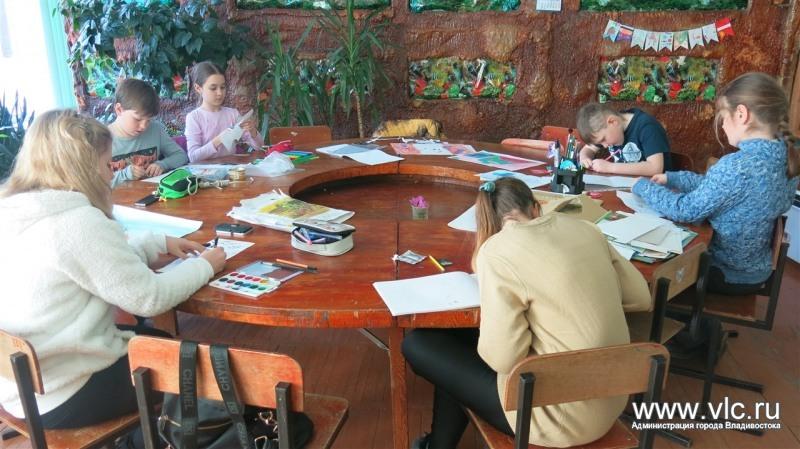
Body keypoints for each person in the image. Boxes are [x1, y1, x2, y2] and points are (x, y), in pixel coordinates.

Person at [0, 110, 226, 429]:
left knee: (163, 341)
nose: (111, 175)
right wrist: (206, 265)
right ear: (83, 168)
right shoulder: (76, 222)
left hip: (20, 385)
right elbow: (149, 298)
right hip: (66, 391)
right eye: (108, 165)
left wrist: (157, 243)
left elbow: (91, 265)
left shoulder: (16, 209)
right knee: (204, 368)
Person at [402, 178, 652, 449]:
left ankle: (437, 445)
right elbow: (640, 297)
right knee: (456, 350)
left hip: (555, 417)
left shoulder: (496, 252)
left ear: (489, 221)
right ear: (536, 207)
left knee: (419, 343)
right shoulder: (586, 229)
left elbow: (503, 358)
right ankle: (437, 445)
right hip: (611, 399)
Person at [633, 72, 799, 295]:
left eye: (723, 117)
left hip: (724, 271)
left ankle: (678, 317)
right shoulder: (785, 159)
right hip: (754, 268)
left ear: (741, 114)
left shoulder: (739, 166)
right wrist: (673, 178)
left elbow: (685, 210)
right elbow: (718, 188)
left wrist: (642, 186)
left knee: (646, 272)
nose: (722, 126)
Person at [108, 78, 189, 188]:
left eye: (149, 120)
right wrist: (124, 175)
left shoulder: (155, 130)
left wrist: (163, 164)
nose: (143, 126)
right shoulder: (101, 139)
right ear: (119, 109)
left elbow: (181, 156)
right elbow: (92, 184)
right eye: (137, 119)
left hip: (153, 195)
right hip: (117, 198)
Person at [185, 61, 263, 162]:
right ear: (198, 88)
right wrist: (219, 140)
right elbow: (193, 157)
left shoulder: (232, 114)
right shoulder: (194, 117)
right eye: (213, 88)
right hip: (205, 170)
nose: (219, 93)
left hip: (231, 168)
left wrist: (253, 131)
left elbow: (259, 146)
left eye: (222, 87)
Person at [576, 102, 671, 176]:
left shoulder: (647, 127)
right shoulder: (608, 129)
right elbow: (588, 149)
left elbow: (655, 168)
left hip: (656, 188)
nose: (604, 146)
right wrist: (585, 158)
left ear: (613, 121)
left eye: (603, 139)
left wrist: (610, 167)